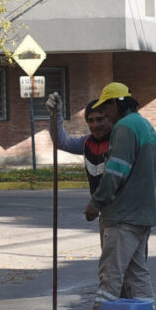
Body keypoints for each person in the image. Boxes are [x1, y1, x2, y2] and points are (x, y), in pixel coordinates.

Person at [73, 82, 156, 310]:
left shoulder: (124, 128)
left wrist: (96, 203)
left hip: (122, 214)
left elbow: (115, 171)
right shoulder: (145, 126)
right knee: (137, 273)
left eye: (106, 108)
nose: (105, 115)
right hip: (143, 212)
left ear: (114, 104)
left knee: (110, 274)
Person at [45, 92, 113, 241]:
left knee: (115, 263)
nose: (95, 125)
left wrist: (95, 204)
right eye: (91, 121)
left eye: (100, 119)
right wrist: (55, 116)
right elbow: (62, 142)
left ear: (111, 118)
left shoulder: (119, 141)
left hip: (121, 215)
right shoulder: (87, 143)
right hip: (105, 215)